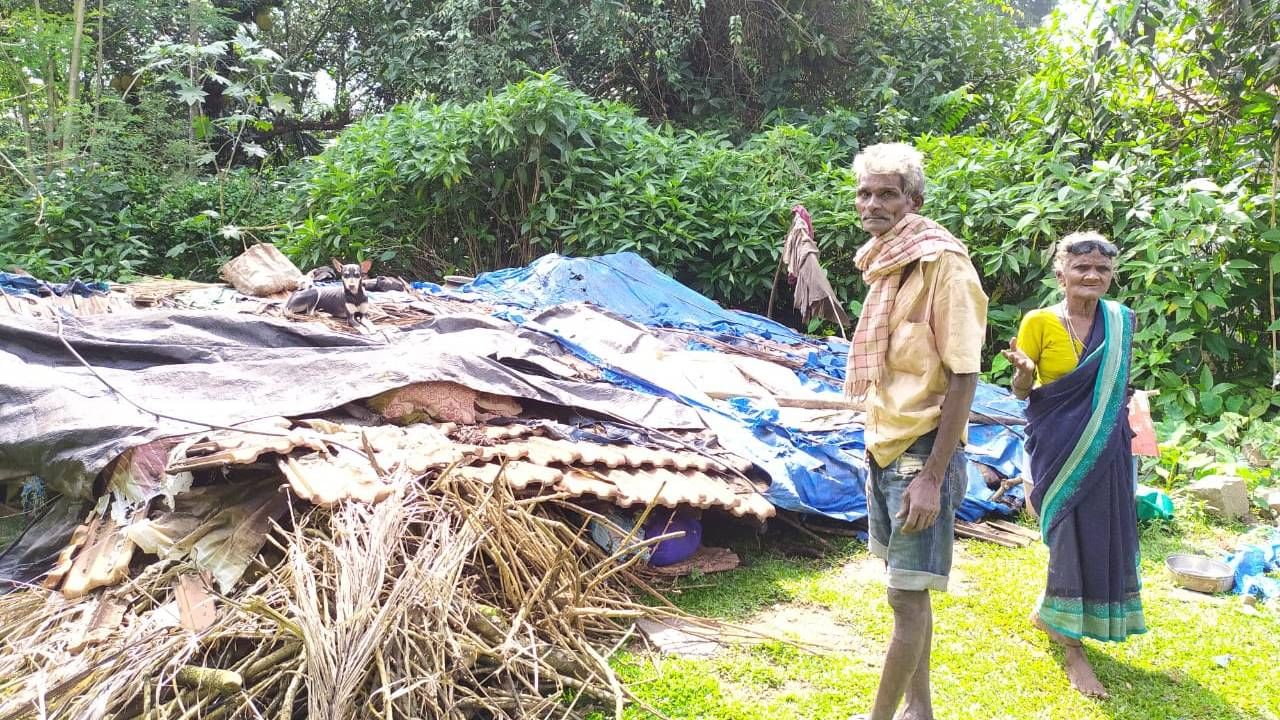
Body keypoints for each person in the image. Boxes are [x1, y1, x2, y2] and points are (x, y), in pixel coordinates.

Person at [845, 143, 988, 720]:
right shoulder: (885, 262)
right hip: (884, 443)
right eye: (866, 193)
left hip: (921, 452)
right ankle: (919, 710)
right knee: (909, 588)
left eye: (888, 193)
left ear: (914, 200)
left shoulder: (944, 265)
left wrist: (932, 477)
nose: (874, 203)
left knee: (904, 596)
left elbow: (964, 375)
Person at [1001, 231, 1146, 699]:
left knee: (1099, 533)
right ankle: (1070, 647)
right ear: (1059, 273)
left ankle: (1063, 628)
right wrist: (1023, 377)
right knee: (1064, 535)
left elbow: (1115, 387)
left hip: (1107, 447)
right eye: (1081, 268)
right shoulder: (1039, 321)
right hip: (1056, 448)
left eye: (1102, 269)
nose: (1092, 276)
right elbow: (1024, 394)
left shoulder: (1122, 321)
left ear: (1112, 275)